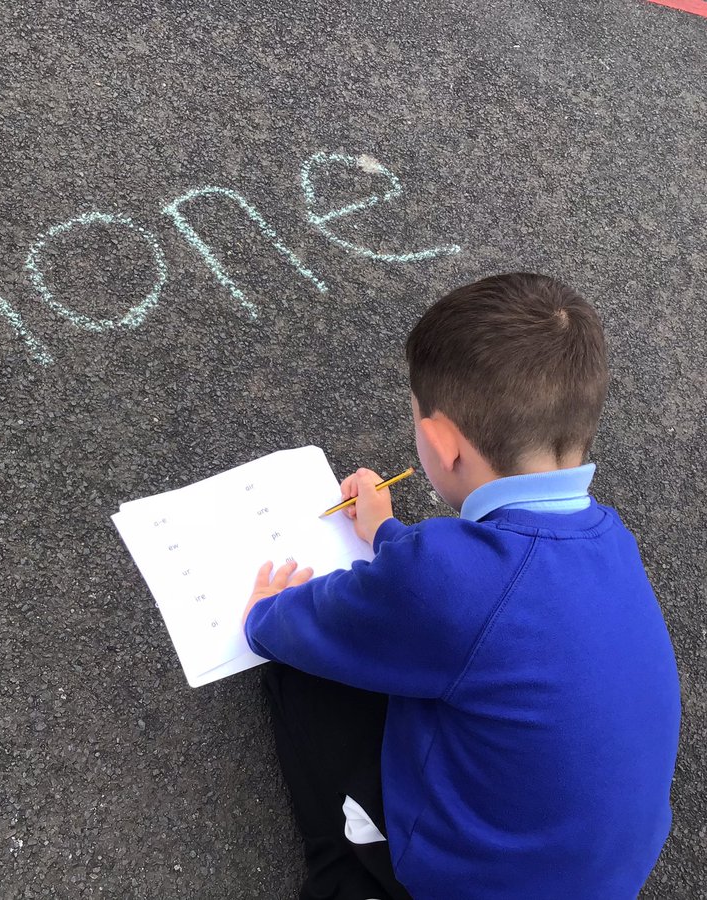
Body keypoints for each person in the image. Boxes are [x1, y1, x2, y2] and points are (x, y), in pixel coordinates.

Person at [241, 273, 682, 900]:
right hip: (601, 873)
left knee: (298, 678)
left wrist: (263, 616)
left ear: (444, 444)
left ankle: (352, 870)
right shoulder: (609, 537)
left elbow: (336, 619)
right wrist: (387, 533)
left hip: (476, 882)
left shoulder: (449, 574)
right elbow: (457, 591)